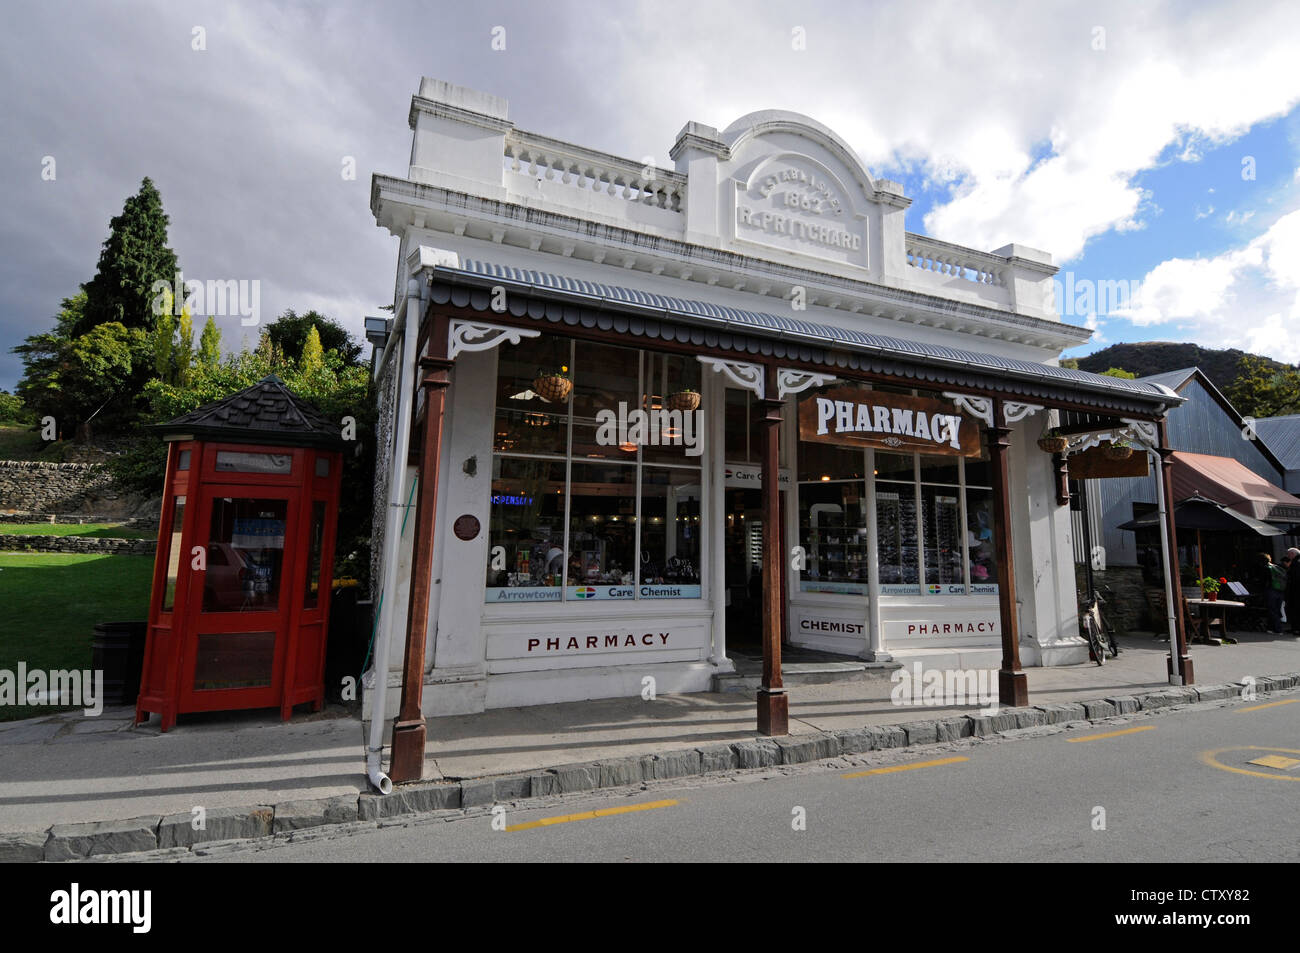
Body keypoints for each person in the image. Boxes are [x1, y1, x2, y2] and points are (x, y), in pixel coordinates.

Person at [1261, 552, 1285, 634]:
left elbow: (1264, 581)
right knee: (1277, 610)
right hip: (1280, 590)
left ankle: (1278, 629)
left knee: (1272, 610)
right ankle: (1271, 628)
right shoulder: (1276, 567)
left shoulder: (1266, 568)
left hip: (1271, 590)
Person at [1286, 548, 1300, 637]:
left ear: (1292, 554)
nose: (1288, 556)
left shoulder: (1296, 563)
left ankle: (1297, 628)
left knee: (1296, 609)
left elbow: (1295, 577)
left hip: (1296, 591)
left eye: (1288, 554)